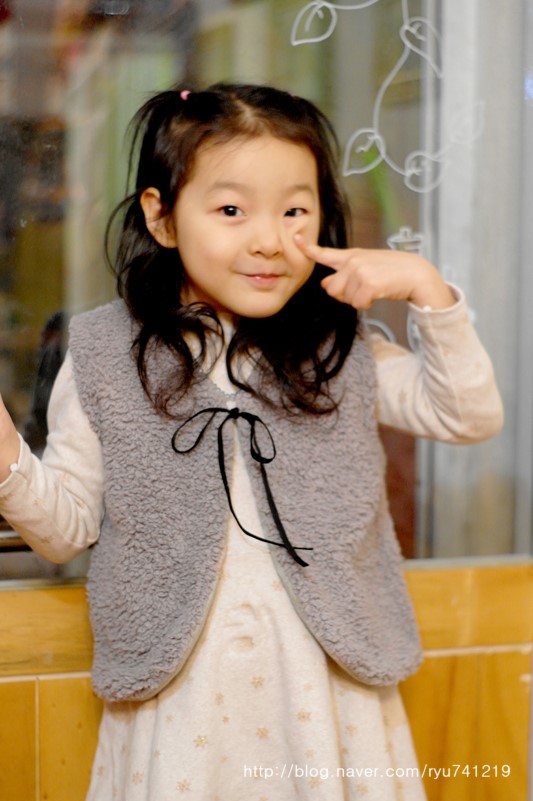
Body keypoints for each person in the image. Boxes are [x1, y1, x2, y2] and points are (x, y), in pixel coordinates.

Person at [0, 83, 503, 800]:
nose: (269, 240)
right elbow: (63, 530)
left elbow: (468, 416)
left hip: (329, 699)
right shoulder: (107, 354)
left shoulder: (340, 346)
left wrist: (428, 290)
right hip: (182, 709)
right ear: (162, 217)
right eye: (231, 211)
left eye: (294, 211)